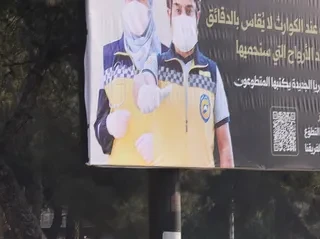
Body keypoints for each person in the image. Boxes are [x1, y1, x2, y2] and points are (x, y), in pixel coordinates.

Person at [148, 0, 235, 168]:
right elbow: (140, 90)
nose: (183, 17)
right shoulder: (155, 64)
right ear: (169, 14)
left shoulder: (211, 71)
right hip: (164, 183)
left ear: (198, 16)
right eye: (178, 10)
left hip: (203, 185)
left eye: (189, 11)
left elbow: (224, 146)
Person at [94, 0, 167, 166]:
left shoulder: (168, 59)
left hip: (158, 172)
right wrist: (109, 126)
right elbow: (99, 127)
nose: (134, 4)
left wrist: (162, 145)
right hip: (119, 175)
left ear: (150, 5)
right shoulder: (108, 56)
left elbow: (182, 125)